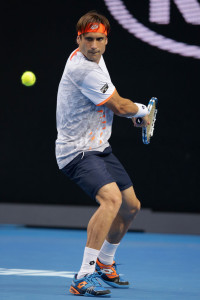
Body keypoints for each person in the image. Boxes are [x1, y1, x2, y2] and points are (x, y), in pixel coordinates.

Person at [56, 11, 150, 297]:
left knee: (131, 206)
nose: (93, 46)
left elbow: (113, 103)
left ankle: (104, 261)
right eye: (87, 40)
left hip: (99, 147)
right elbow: (120, 106)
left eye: (99, 39)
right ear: (78, 39)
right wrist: (141, 111)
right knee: (112, 199)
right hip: (76, 151)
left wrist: (127, 113)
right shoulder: (82, 68)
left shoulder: (97, 59)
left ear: (106, 40)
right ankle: (83, 277)